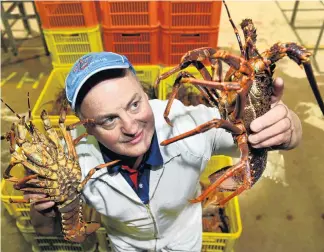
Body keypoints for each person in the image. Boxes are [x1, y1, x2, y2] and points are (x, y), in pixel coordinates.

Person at [26, 52, 302, 251]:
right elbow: (46, 229)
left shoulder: (190, 123)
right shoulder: (70, 162)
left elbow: (261, 137)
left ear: (146, 94)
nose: (131, 127)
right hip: (126, 245)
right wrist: (43, 211)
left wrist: (288, 129)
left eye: (134, 105)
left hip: (186, 242)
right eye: (108, 119)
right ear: (84, 127)